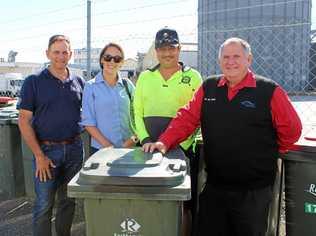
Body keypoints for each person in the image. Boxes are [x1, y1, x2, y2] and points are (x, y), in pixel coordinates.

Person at [143, 37, 302, 236]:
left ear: (249, 59)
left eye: (237, 56)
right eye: (226, 57)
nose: (230, 61)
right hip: (215, 186)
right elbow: (187, 118)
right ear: (219, 61)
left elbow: (292, 130)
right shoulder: (209, 87)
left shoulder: (269, 91)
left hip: (253, 191)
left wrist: (267, 151)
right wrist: (164, 142)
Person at [133, 27, 202, 235]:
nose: (167, 53)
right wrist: (144, 139)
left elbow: (197, 116)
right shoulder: (145, 77)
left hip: (182, 150)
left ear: (179, 49)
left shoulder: (194, 77)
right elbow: (136, 111)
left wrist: (182, 145)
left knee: (183, 203)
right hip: (147, 149)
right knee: (149, 200)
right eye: (162, 49)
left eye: (171, 48)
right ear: (156, 50)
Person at [17, 35, 85, 236]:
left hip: (74, 149)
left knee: (68, 202)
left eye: (65, 52)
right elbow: (23, 120)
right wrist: (39, 156)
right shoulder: (33, 82)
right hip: (46, 152)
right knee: (44, 205)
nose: (61, 56)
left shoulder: (79, 81)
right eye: (56, 52)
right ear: (47, 53)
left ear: (70, 55)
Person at [81, 42, 137, 154]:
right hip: (101, 151)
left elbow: (139, 114)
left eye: (117, 59)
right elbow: (88, 122)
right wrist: (109, 147)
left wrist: (133, 139)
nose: (112, 61)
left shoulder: (128, 85)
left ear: (121, 63)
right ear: (102, 60)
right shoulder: (91, 87)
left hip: (129, 148)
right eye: (108, 57)